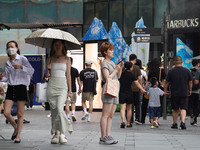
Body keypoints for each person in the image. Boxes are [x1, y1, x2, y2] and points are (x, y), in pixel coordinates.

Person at [0, 41, 34, 143]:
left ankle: (18, 135)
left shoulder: (22, 59)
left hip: (21, 87)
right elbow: (6, 78)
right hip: (11, 87)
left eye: (12, 46)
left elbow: (31, 70)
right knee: (6, 112)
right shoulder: (7, 63)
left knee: (20, 114)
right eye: (8, 47)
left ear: (17, 48)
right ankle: (15, 127)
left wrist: (21, 67)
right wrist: (2, 78)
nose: (10, 48)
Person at [45, 39, 73, 144]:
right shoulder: (49, 58)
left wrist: (70, 90)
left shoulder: (67, 59)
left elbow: (68, 75)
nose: (57, 46)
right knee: (54, 111)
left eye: (59, 44)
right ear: (53, 46)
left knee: (60, 109)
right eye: (55, 44)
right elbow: (47, 76)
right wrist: (48, 69)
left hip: (62, 85)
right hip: (52, 84)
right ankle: (55, 134)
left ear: (63, 46)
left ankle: (62, 132)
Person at [99, 42, 123, 145]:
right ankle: (103, 136)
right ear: (105, 52)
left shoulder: (112, 63)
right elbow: (107, 78)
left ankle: (108, 135)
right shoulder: (104, 63)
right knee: (105, 114)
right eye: (110, 50)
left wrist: (119, 68)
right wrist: (116, 70)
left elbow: (119, 76)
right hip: (108, 90)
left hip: (115, 89)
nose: (112, 52)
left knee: (111, 115)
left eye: (112, 50)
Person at [164, 56, 192, 130]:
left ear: (174, 62)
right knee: (183, 108)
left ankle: (175, 123)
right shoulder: (187, 71)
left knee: (175, 109)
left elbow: (167, 82)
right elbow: (190, 82)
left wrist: (165, 90)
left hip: (174, 92)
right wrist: (190, 90)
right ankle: (183, 122)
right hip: (184, 92)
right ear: (182, 62)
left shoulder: (171, 71)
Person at [119, 62, 146, 128]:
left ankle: (123, 121)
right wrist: (142, 89)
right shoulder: (131, 75)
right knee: (129, 109)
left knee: (122, 108)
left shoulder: (121, 74)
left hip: (122, 92)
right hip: (129, 93)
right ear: (130, 68)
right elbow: (137, 84)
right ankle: (128, 123)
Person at [65, 57, 81, 121]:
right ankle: (73, 113)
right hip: (73, 89)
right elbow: (78, 80)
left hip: (66, 89)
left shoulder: (65, 70)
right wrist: (80, 88)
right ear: (72, 62)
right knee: (73, 103)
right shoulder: (75, 70)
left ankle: (68, 117)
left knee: (67, 103)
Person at [129, 54, 142, 125]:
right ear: (135, 59)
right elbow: (139, 78)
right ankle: (137, 118)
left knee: (129, 105)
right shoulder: (137, 67)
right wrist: (141, 87)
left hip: (128, 89)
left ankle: (130, 119)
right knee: (137, 104)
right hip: (136, 89)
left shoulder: (125, 66)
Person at [189, 59, 200, 126]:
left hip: (190, 90)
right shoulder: (198, 71)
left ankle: (191, 114)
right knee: (196, 105)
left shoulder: (189, 71)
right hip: (198, 91)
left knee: (190, 105)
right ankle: (195, 119)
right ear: (197, 64)